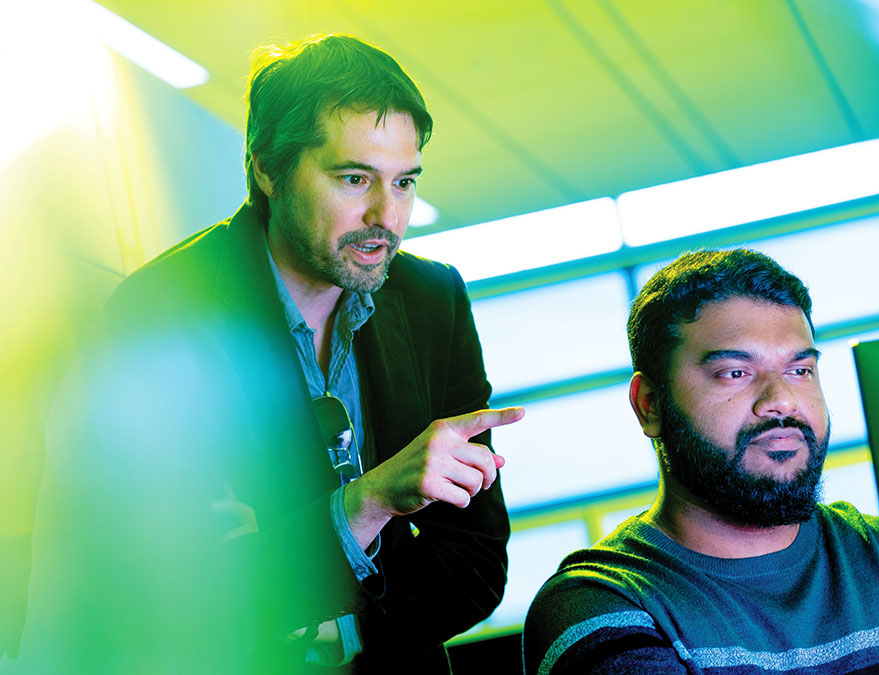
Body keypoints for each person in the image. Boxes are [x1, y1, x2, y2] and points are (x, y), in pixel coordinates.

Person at [25, 34, 518, 673]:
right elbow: (186, 592)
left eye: (403, 182)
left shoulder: (430, 298)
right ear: (268, 168)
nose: (386, 215)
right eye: (353, 178)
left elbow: (477, 562)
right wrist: (369, 502)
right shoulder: (164, 314)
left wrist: (341, 635)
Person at [523, 249, 879, 674]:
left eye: (800, 370)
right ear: (650, 405)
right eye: (735, 373)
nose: (781, 400)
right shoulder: (602, 604)